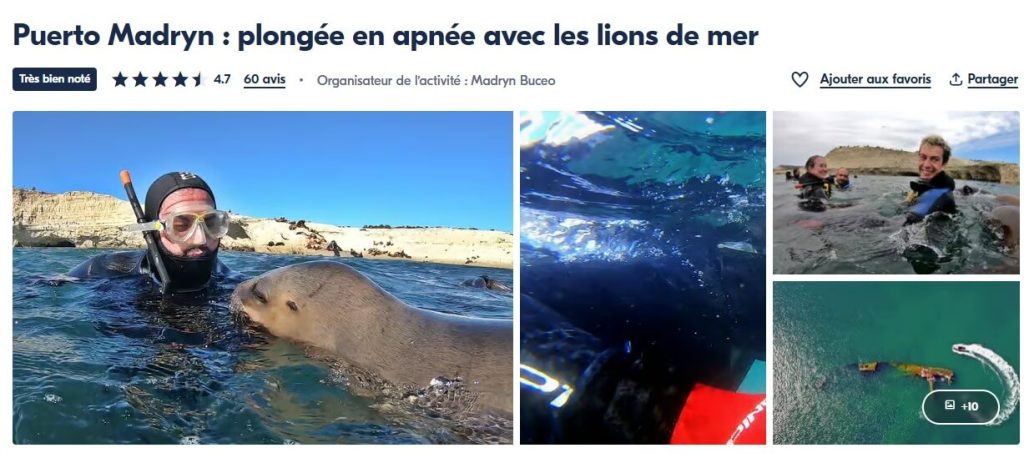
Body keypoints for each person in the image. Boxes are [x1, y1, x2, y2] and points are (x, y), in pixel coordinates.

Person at [69, 171, 231, 293]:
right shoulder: (103, 269)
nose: (200, 239)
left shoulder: (228, 279)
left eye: (211, 223)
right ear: (152, 230)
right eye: (181, 225)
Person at [905, 135, 956, 225]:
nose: (926, 165)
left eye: (935, 159)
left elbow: (905, 222)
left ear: (944, 163)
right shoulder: (927, 185)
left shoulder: (939, 194)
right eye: (923, 157)